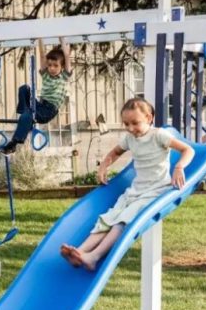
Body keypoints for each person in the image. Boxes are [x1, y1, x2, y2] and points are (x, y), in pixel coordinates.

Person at [60, 97, 195, 271]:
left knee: (122, 221)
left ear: (149, 118)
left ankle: (94, 257)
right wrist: (104, 166)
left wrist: (179, 167)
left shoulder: (159, 135)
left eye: (135, 123)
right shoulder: (130, 138)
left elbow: (188, 150)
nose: (130, 128)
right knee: (109, 218)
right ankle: (80, 251)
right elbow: (115, 152)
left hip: (156, 190)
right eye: (126, 124)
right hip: (135, 190)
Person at [1, 38, 71, 154]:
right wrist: (40, 38)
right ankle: (24, 113)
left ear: (62, 67)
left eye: (56, 66)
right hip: (40, 105)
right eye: (50, 65)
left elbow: (67, 57)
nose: (52, 68)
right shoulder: (46, 75)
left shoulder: (64, 77)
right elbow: (42, 55)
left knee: (28, 115)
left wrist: (62, 40)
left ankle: (13, 144)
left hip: (49, 111)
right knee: (24, 88)